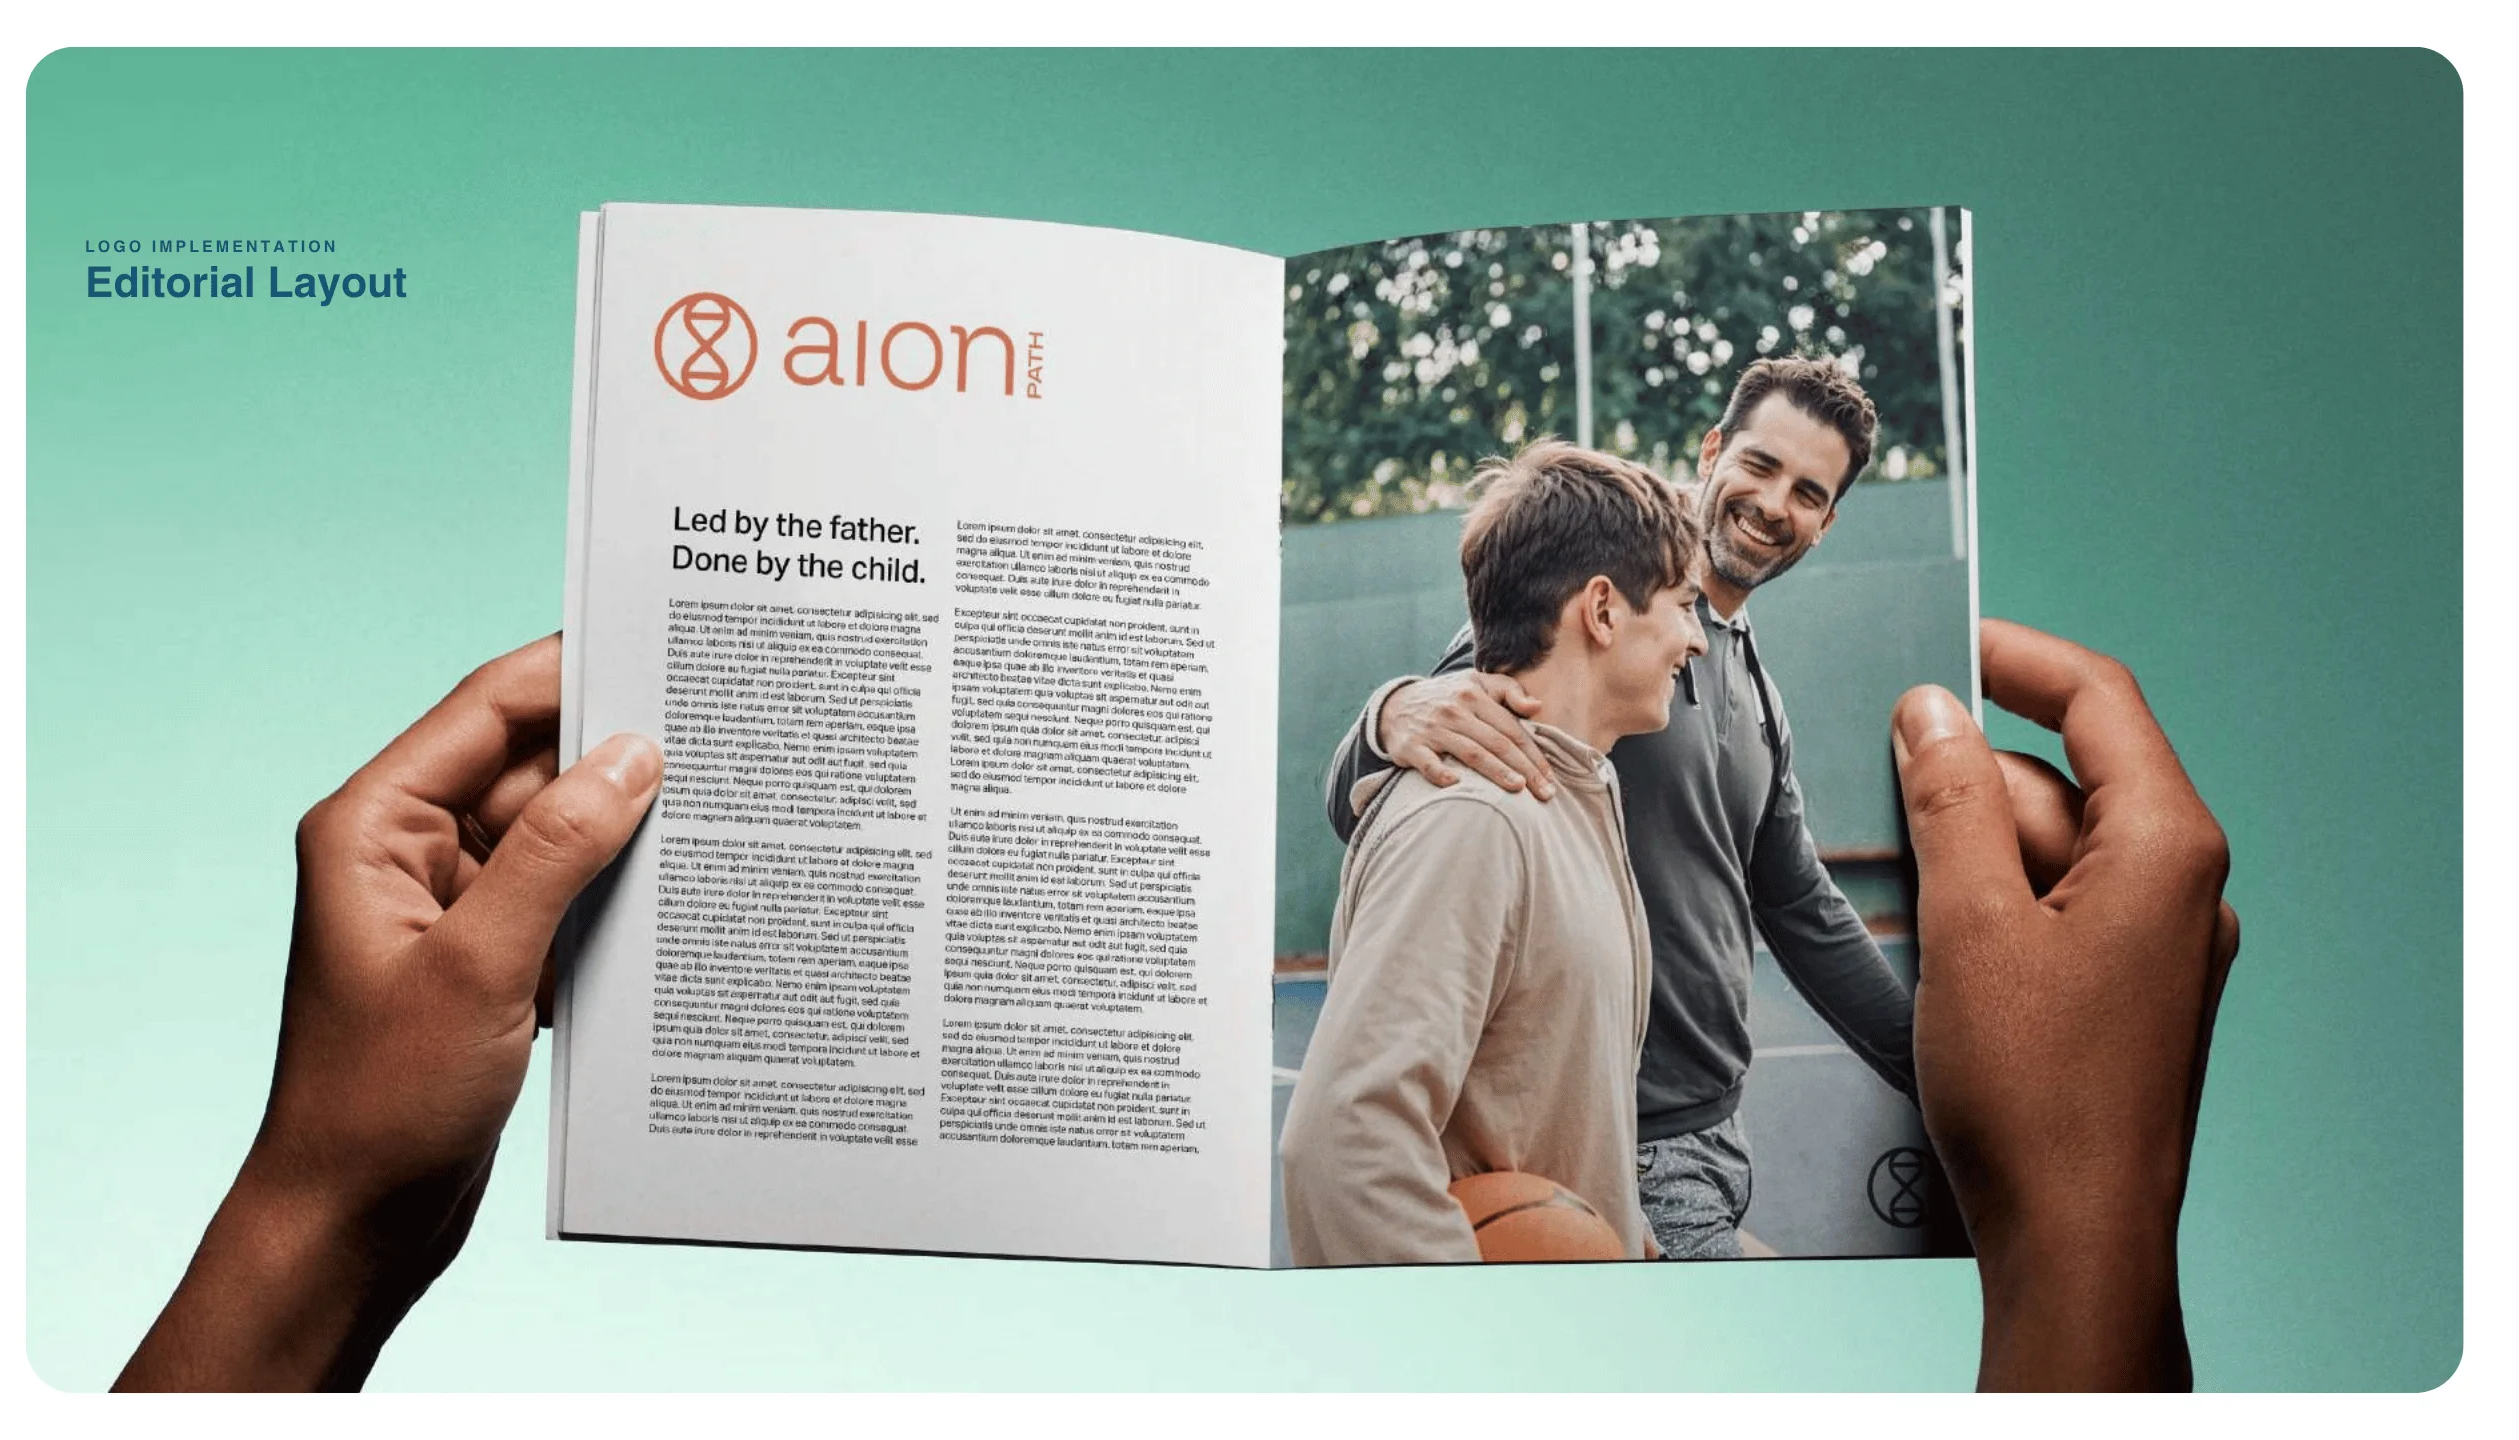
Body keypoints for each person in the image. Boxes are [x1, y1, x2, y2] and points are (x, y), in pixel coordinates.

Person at [117, 619, 2235, 1390]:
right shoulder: (1476, 783)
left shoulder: (1723, 715)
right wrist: (2078, 1233)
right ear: (1611, 599)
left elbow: (1792, 904)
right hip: (1612, 1194)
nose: (1732, 572)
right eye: (1698, 557)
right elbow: (1351, 1111)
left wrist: (323, 1220)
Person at [1323, 354, 1913, 1259]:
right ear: (1713, 449)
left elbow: (1797, 902)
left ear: (1825, 523)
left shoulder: (1755, 686)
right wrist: (1388, 711)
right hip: (1622, 1137)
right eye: (1758, 464)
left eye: (1807, 492)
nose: (1772, 504)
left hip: (1718, 1125)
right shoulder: (1602, 613)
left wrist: (1938, 1072)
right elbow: (1440, 741)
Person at [1280, 441, 1709, 1266]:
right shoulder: (1477, 818)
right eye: (1683, 605)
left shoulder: (1567, 795)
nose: (1695, 639)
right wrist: (1488, 1350)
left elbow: (1549, 1100)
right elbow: (1343, 1147)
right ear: (1604, 610)